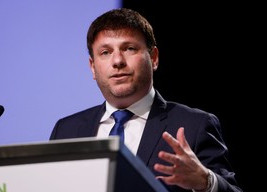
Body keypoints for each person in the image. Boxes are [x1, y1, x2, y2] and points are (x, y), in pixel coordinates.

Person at [50, 8, 242, 192]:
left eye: (129, 48)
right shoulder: (66, 131)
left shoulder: (194, 126)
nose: (117, 61)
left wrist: (205, 182)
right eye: (105, 52)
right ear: (93, 67)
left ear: (154, 58)